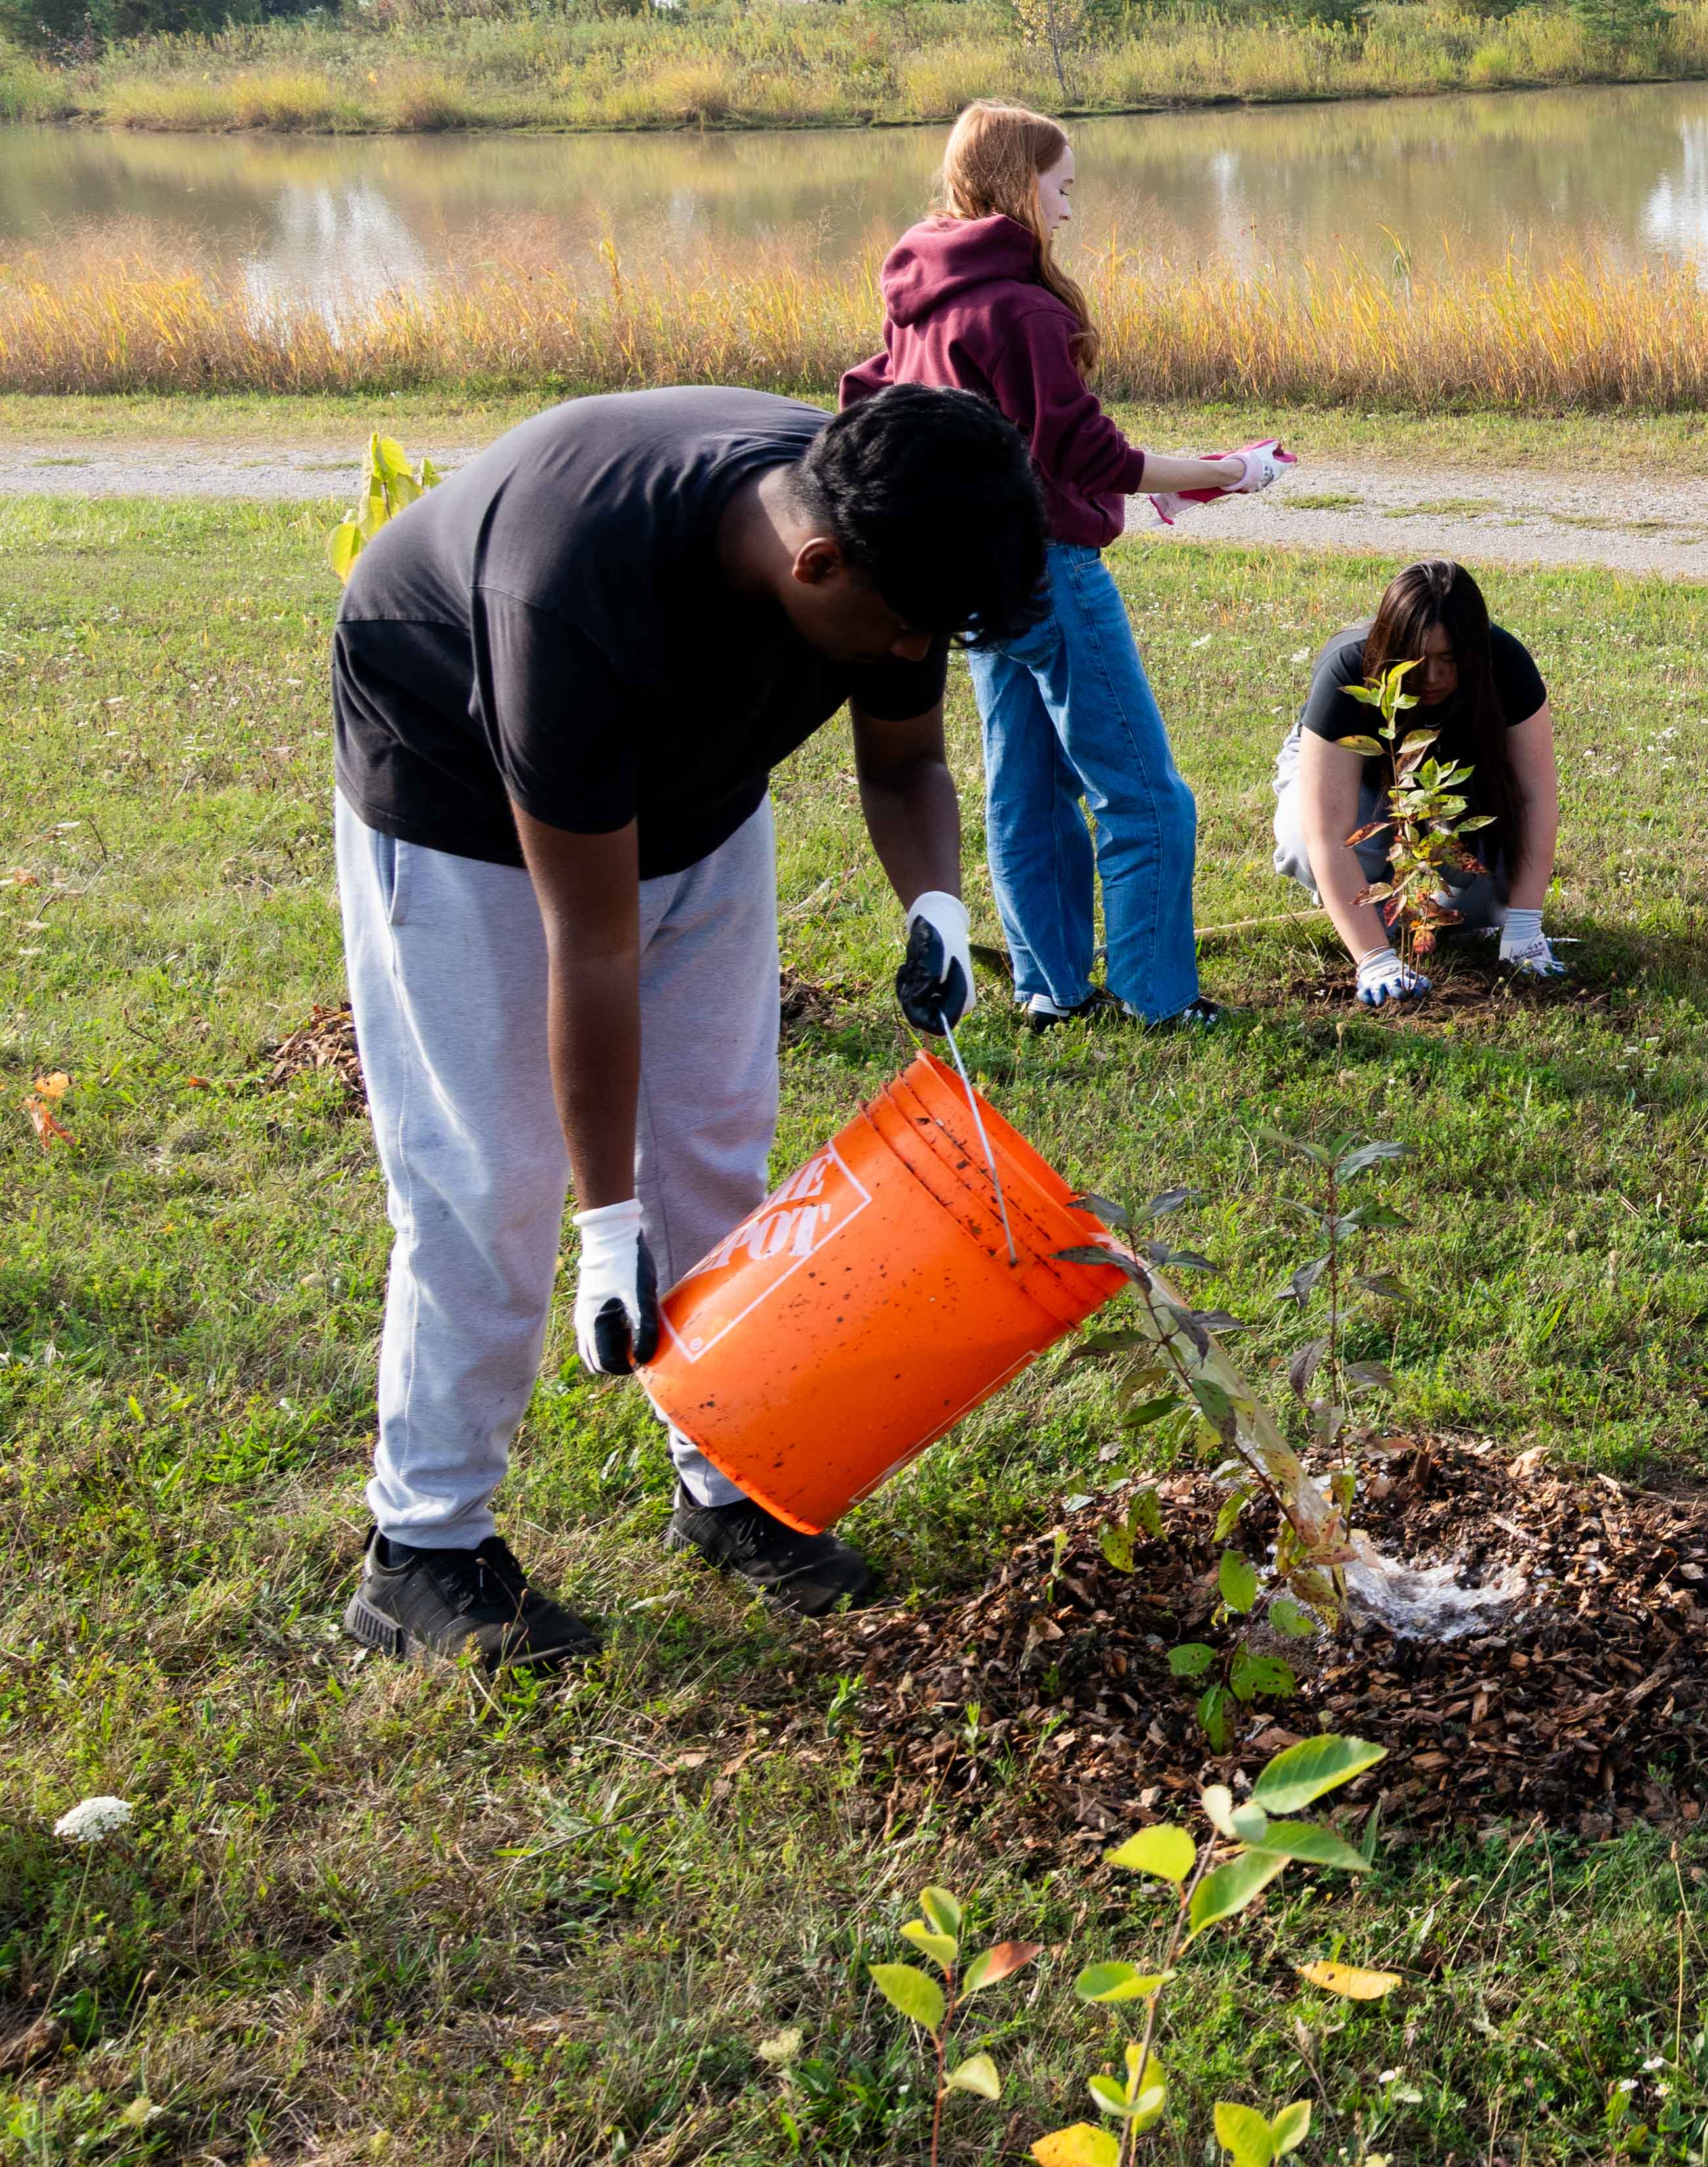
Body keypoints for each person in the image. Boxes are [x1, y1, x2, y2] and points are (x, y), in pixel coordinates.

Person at [331, 384, 1051, 1663]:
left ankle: (730, 1477)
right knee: (488, 1174)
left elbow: (903, 765)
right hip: (459, 795)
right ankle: (421, 1551)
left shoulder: (894, 532)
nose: (907, 658)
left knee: (718, 1135)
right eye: (900, 634)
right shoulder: (574, 591)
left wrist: (936, 906)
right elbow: (592, 942)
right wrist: (606, 1227)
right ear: (816, 563)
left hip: (698, 795)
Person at [843, 99, 1286, 1031]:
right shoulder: (1020, 307)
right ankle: (1159, 1001)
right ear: (1018, 183)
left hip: (975, 575)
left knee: (1027, 786)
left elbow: (870, 403)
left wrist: (1148, 485)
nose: (1070, 208)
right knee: (1143, 792)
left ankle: (1051, 989)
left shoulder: (923, 294)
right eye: (1062, 187)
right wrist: (1227, 473)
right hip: (1049, 570)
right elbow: (1087, 455)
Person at [1274, 559, 1565, 1001]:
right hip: (1354, 778)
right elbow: (1326, 832)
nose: (1433, 678)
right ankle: (1368, 920)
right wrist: (1375, 960)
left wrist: (1523, 926)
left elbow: (1535, 797)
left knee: (1479, 908)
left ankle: (1408, 913)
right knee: (1310, 842)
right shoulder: (1348, 669)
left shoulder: (1505, 663)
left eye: (1450, 660)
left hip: (1449, 784)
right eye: (1417, 660)